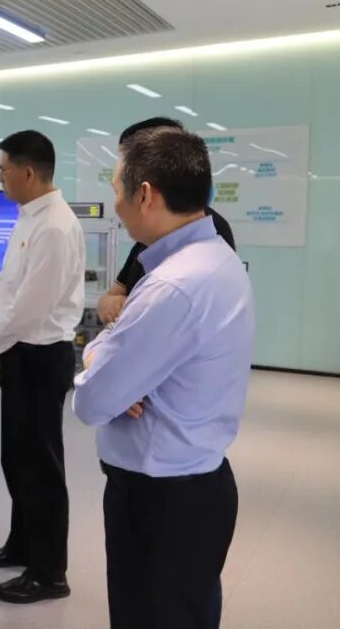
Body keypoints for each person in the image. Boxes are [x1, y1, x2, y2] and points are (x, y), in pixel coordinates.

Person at [73, 127, 255, 629]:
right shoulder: (214, 257)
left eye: (116, 187)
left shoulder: (172, 286)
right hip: (196, 486)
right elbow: (118, 365)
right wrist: (113, 363)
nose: (114, 203)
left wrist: (100, 361)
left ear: (145, 194)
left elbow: (91, 402)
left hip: (160, 503)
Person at [0, 130, 86, 604]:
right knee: (17, 459)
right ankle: (23, 544)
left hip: (40, 356)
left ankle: (49, 572)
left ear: (28, 172)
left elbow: (31, 307)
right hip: (18, 352)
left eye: (2, 171)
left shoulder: (54, 226)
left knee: (40, 467)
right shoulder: (30, 217)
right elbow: (10, 293)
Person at [98, 118, 236, 326]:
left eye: (119, 188)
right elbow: (113, 295)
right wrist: (111, 305)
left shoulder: (172, 283)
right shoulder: (152, 240)